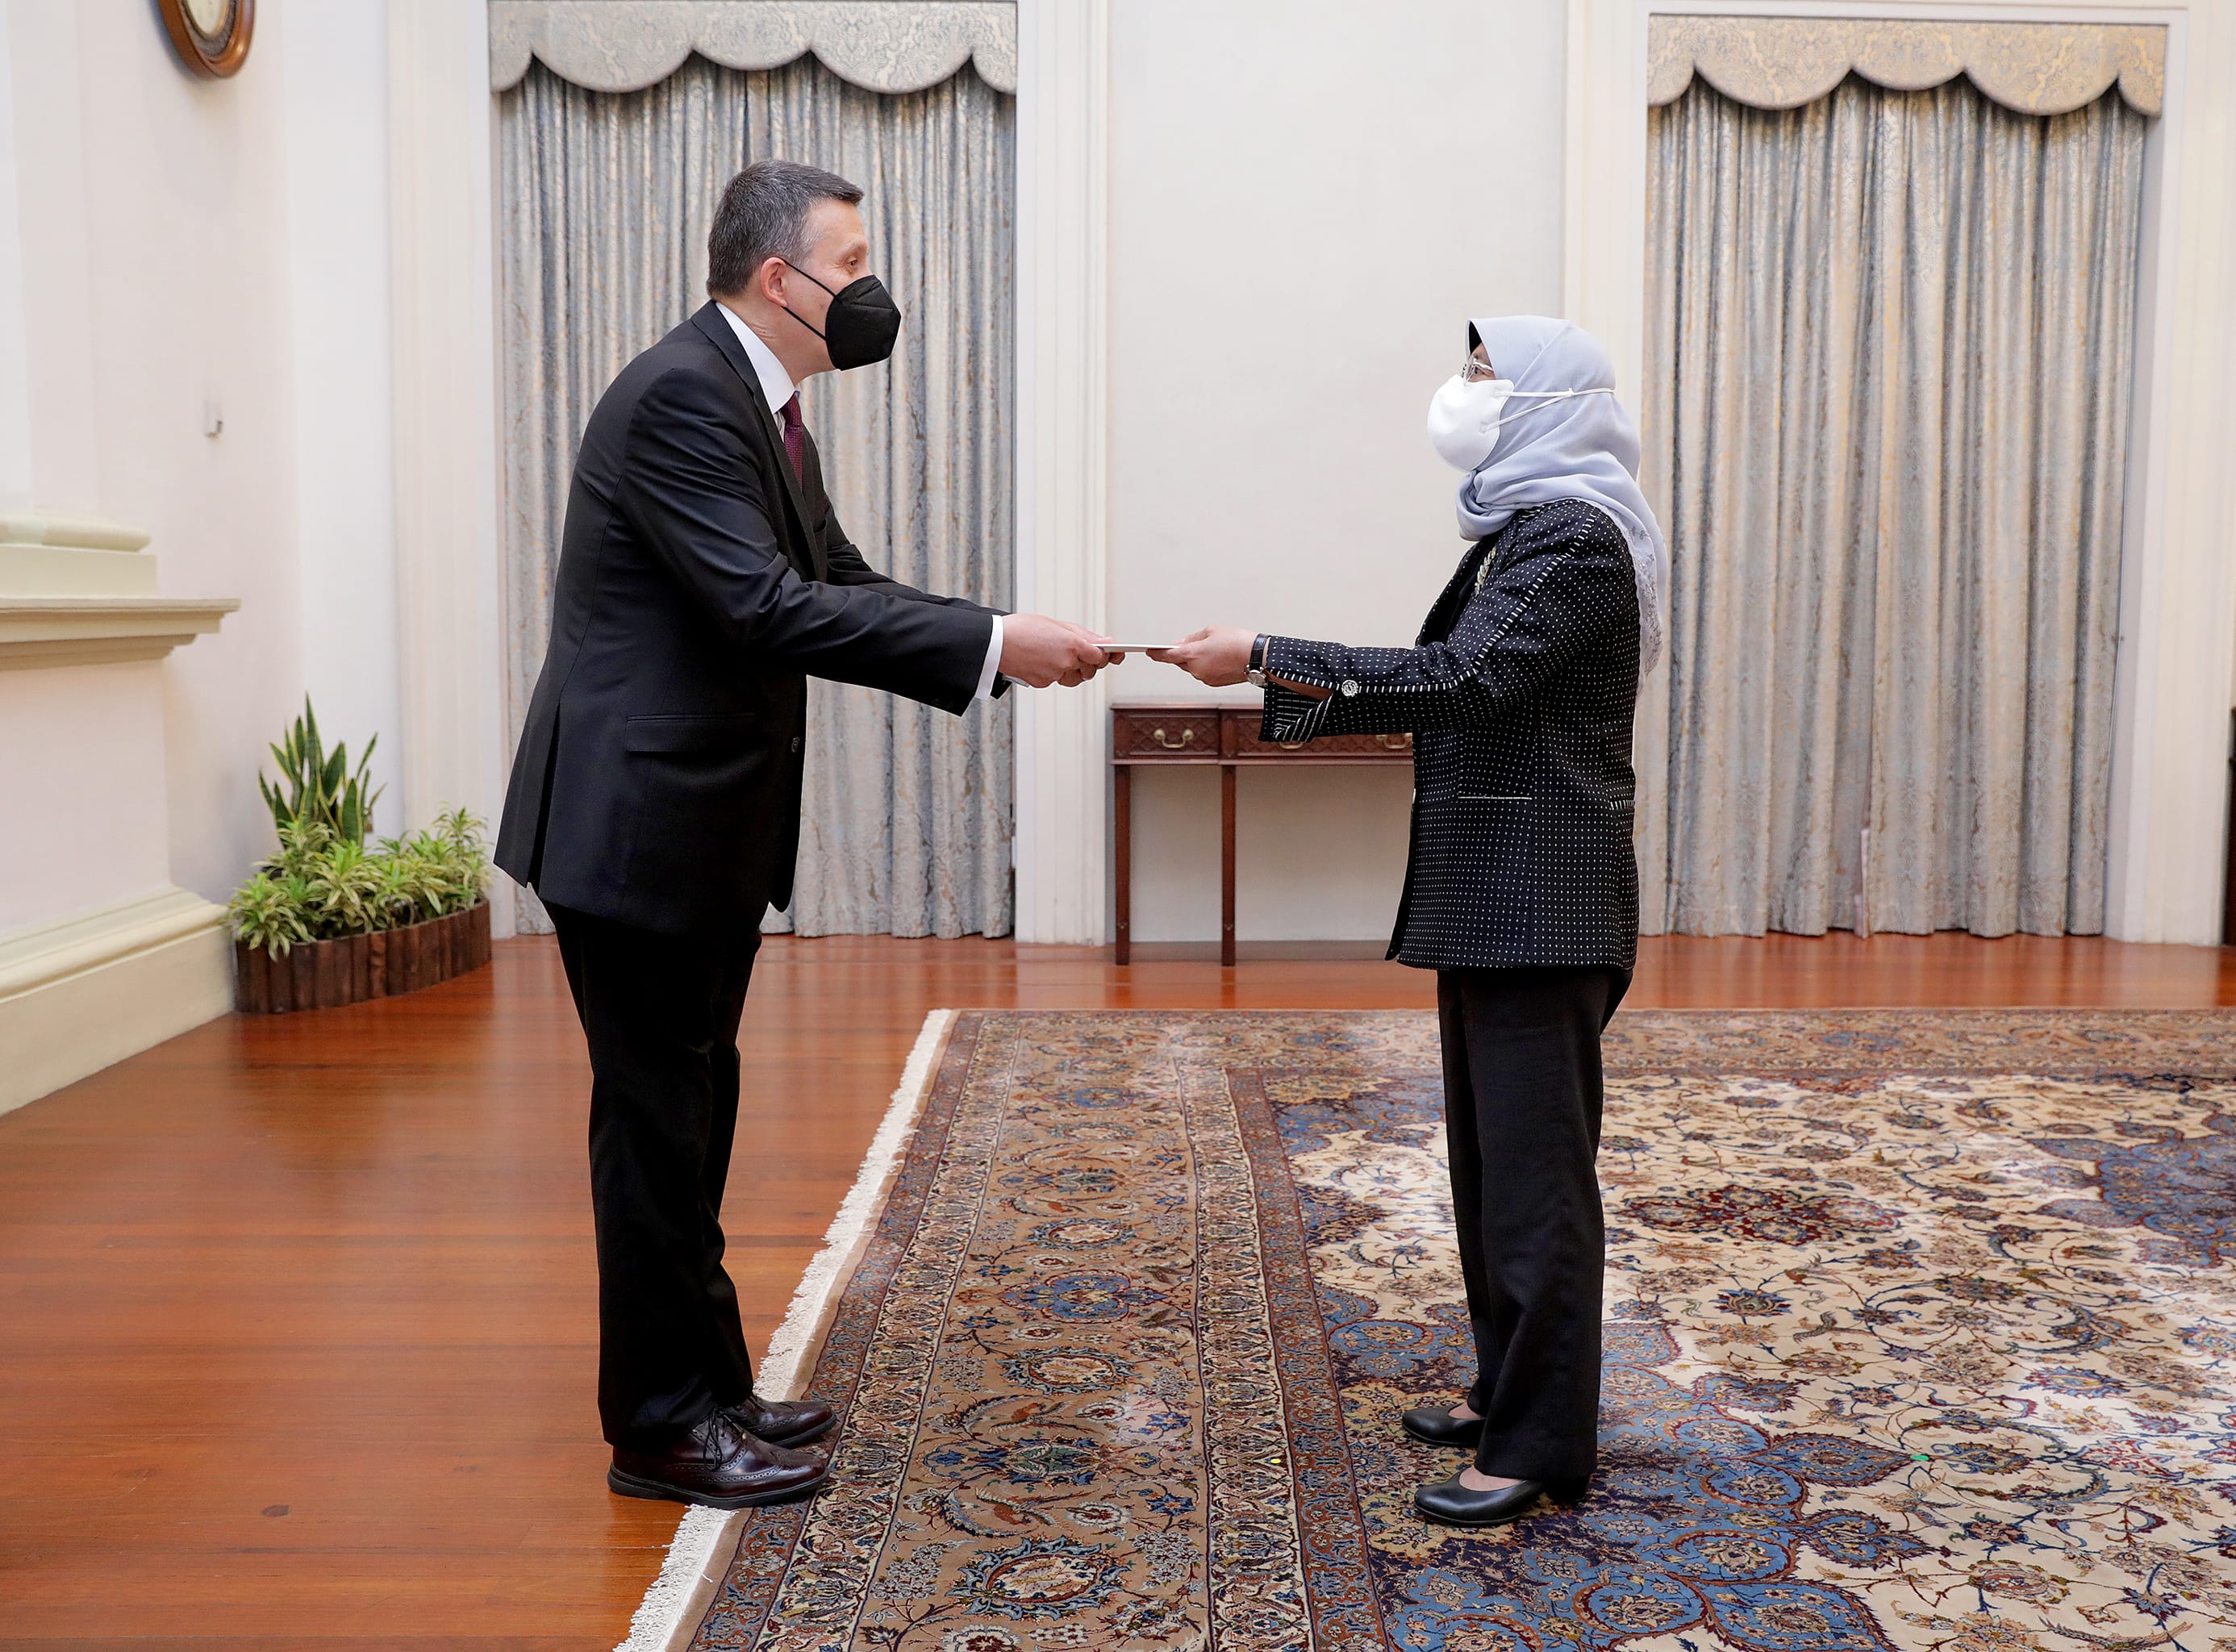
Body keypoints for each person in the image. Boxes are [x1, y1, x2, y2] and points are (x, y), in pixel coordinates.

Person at [495, 159, 1113, 1510]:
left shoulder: (760, 408)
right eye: (854, 260)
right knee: (658, 1128)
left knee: (692, 1112)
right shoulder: (678, 400)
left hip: (696, 831)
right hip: (635, 830)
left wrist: (1007, 643)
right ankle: (660, 1428)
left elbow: (836, 581)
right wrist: (998, 641)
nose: (870, 287)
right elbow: (768, 613)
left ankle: (712, 1388)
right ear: (781, 280)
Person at [1154, 315, 1666, 1529]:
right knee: (1492, 1172)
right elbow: (1462, 690)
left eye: (1486, 374)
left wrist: (1268, 655)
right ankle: (1505, 1389)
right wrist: (1270, 671)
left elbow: (1462, 682)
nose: (1465, 391)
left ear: (1549, 400)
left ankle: (1542, 1442)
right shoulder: (1525, 529)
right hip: (1500, 895)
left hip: (1542, 903)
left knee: (1539, 1188)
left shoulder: (1576, 540)